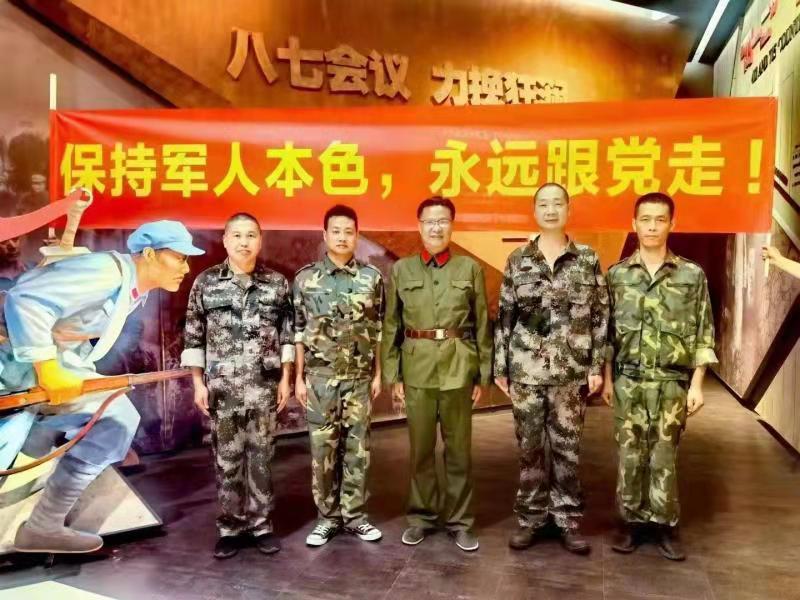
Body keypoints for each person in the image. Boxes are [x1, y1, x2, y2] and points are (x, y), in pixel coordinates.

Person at [2, 220, 203, 553]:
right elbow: (25, 300)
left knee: (116, 418)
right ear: (149, 254)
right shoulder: (105, 272)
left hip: (33, 369)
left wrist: (80, 374)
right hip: (12, 368)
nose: (186, 268)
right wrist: (48, 368)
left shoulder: (132, 288)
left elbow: (69, 329)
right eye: (180, 258)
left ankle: (43, 526)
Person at [602, 192, 717, 561]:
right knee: (629, 455)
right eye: (645, 219)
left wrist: (697, 385)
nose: (652, 227)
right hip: (628, 381)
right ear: (634, 224)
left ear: (672, 224)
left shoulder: (691, 275)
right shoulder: (617, 275)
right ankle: (631, 525)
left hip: (671, 383)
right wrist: (607, 379)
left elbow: (703, 332)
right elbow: (607, 335)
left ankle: (664, 526)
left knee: (664, 456)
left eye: (660, 219)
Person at [494, 183, 608, 554]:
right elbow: (505, 315)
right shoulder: (518, 260)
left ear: (568, 210)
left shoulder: (587, 259)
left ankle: (568, 520)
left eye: (557, 204)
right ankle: (530, 519)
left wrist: (596, 366)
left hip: (571, 373)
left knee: (567, 450)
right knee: (529, 449)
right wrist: (500, 366)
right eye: (544, 204)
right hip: (526, 372)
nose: (551, 210)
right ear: (535, 211)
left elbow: (600, 316)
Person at [381, 195, 491, 552]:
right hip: (417, 369)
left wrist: (482, 375)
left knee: (459, 452)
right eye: (429, 221)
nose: (436, 227)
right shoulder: (402, 270)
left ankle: (460, 521)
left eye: (443, 221)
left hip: (459, 368)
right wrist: (394, 375)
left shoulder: (469, 269)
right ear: (419, 226)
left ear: (452, 226)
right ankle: (422, 517)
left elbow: (483, 324)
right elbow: (392, 325)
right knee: (421, 451)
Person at [181, 213, 294, 559]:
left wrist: (286, 379)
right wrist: (198, 384)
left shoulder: (277, 284)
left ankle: (261, 526)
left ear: (260, 240)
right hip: (222, 389)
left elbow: (288, 336)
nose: (244, 242)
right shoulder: (206, 283)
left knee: (261, 460)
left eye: (251, 235)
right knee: (226, 460)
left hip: (263, 387)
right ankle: (230, 527)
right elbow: (193, 336)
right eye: (237, 235)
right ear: (225, 240)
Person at [293, 204, 384, 547]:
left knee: (358, 450)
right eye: (336, 231)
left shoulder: (372, 278)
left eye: (349, 231)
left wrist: (377, 374)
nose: (342, 237)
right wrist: (299, 377)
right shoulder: (305, 279)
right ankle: (327, 519)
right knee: (323, 451)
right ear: (325, 235)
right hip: (319, 380)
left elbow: (378, 329)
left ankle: (355, 516)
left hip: (359, 378)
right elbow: (297, 332)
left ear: (357, 235)